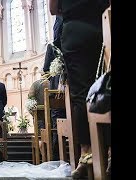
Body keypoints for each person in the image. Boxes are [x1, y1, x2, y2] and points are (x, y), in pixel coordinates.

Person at [49, 0, 110, 178]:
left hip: (75, 30)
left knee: (80, 95)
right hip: (102, 26)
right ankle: (109, 152)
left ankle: (86, 153)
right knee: (107, 87)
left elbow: (53, 9)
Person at [42, 15, 66, 161]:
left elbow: (46, 70)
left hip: (58, 91)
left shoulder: (52, 47)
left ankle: (57, 156)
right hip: (75, 88)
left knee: (57, 119)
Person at [28, 72, 50, 155]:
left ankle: (44, 157)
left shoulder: (35, 84)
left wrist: (33, 115)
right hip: (53, 117)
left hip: (39, 117)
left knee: (40, 138)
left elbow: (30, 101)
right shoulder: (53, 83)